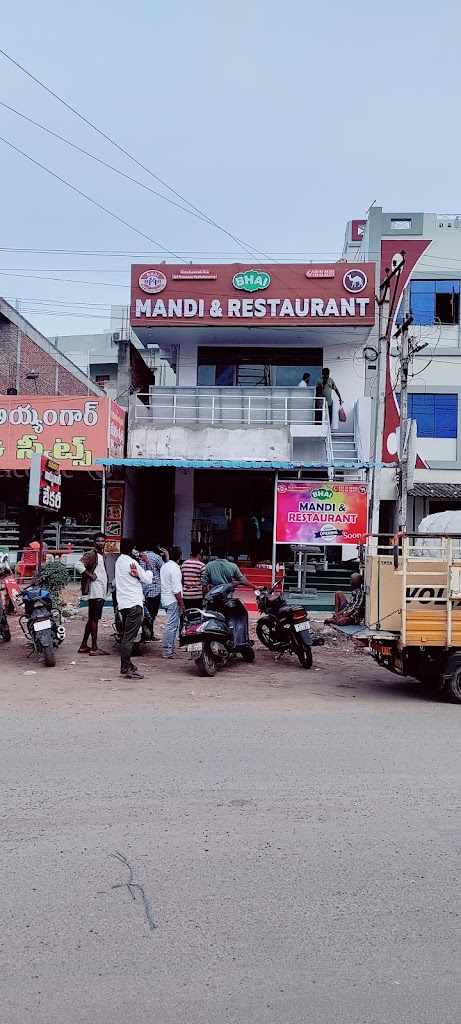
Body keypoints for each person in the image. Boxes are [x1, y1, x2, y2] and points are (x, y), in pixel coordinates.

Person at [115, 537, 153, 680]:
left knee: (127, 635)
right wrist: (147, 564)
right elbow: (147, 579)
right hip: (134, 604)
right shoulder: (132, 562)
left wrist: (136, 576)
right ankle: (125, 667)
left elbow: (133, 578)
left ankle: (128, 665)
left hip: (124, 604)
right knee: (128, 638)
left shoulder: (119, 561)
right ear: (132, 549)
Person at [75, 533, 109, 656]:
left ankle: (84, 645)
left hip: (99, 590)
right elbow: (78, 565)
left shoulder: (101, 555)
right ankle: (94, 647)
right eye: (98, 541)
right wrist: (91, 576)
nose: (100, 543)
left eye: (102, 541)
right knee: (94, 619)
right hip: (96, 591)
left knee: (92, 619)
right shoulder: (91, 554)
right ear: (94, 542)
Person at [139, 541, 169, 639]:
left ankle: (144, 632)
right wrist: (167, 556)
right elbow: (165, 569)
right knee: (152, 614)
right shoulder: (156, 557)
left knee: (144, 613)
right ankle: (149, 633)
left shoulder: (140, 556)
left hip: (143, 589)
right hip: (154, 589)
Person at [160, 546, 185, 659]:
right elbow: (176, 589)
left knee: (172, 625)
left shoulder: (165, 566)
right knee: (172, 626)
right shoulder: (175, 569)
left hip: (165, 598)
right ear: (179, 557)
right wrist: (181, 604)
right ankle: (168, 650)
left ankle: (169, 649)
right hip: (172, 599)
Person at [181, 540, 205, 610]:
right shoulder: (201, 566)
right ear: (200, 551)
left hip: (186, 596)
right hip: (197, 596)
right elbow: (204, 584)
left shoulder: (184, 564)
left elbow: (182, 581)